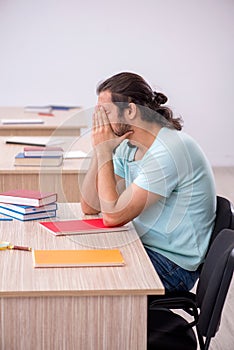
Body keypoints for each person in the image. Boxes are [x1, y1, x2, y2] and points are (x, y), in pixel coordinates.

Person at [80, 72, 216, 292]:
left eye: (105, 113)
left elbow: (112, 216)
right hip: (143, 247)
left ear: (131, 110)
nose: (100, 122)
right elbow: (90, 205)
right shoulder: (127, 146)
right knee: (81, 270)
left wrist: (105, 152)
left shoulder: (169, 151)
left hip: (172, 266)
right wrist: (99, 151)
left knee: (92, 284)